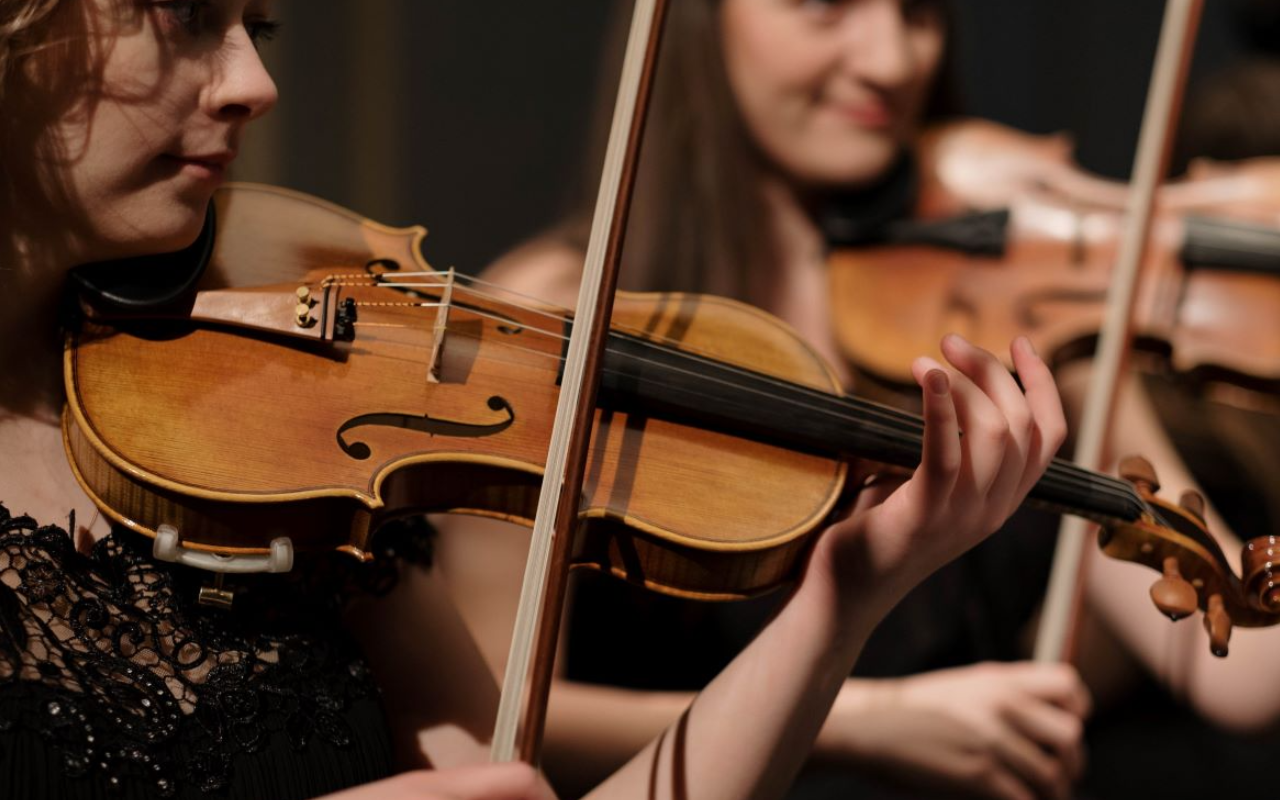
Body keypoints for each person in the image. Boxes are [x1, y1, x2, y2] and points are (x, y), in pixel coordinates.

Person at [0, 1, 1066, 799]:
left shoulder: (280, 426)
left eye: (258, 24)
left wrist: (838, 607)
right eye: (188, 16)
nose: (252, 81)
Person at [433, 1, 1280, 799]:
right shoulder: (560, 310)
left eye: (914, 9)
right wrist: (865, 723)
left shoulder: (1011, 291)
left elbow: (1232, 669)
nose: (891, 59)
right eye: (823, 3)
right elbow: (495, 724)